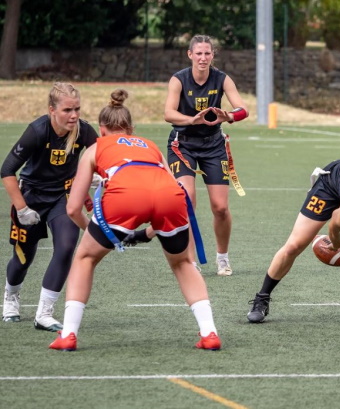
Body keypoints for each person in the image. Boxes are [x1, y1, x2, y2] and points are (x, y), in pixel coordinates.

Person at [49, 89, 221, 351]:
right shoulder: (150, 146)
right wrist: (149, 232)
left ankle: (68, 335)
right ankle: (209, 333)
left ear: (101, 128)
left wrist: (97, 233)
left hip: (125, 197)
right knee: (183, 263)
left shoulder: (95, 148)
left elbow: (73, 209)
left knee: (85, 258)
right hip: (172, 196)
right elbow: (162, 191)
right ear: (131, 129)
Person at [247, 159, 340, 349]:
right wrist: (335, 245)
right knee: (295, 244)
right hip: (333, 181)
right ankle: (261, 298)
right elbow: (334, 226)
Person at [1, 82, 98, 331]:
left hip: (63, 196)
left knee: (66, 247)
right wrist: (22, 208)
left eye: (77, 109)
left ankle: (44, 313)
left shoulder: (84, 130)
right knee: (23, 258)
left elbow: (102, 156)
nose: (74, 115)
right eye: (67, 110)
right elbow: (7, 170)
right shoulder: (37, 130)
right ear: (52, 110)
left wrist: (97, 174)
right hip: (31, 196)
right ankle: (11, 297)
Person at [164, 34, 249, 276]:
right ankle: (189, 260)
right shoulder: (179, 79)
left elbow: (243, 110)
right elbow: (168, 113)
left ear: (213, 55)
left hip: (214, 146)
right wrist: (191, 119)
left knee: (220, 207)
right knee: (186, 199)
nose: (203, 57)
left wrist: (229, 116)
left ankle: (222, 258)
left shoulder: (221, 78)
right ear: (190, 55)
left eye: (207, 53)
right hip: (183, 146)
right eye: (198, 53)